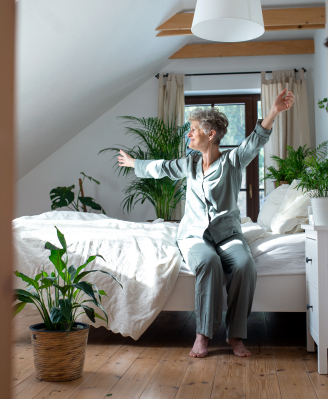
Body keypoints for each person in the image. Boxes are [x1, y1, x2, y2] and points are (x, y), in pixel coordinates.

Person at [118, 88, 294, 357]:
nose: (189, 134)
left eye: (193, 130)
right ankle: (203, 334)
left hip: (227, 235)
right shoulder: (189, 164)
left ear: (210, 135)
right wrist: (134, 164)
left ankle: (235, 336)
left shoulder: (232, 162)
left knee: (245, 264)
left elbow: (254, 142)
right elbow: (163, 167)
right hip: (194, 236)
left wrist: (273, 112)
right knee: (209, 262)